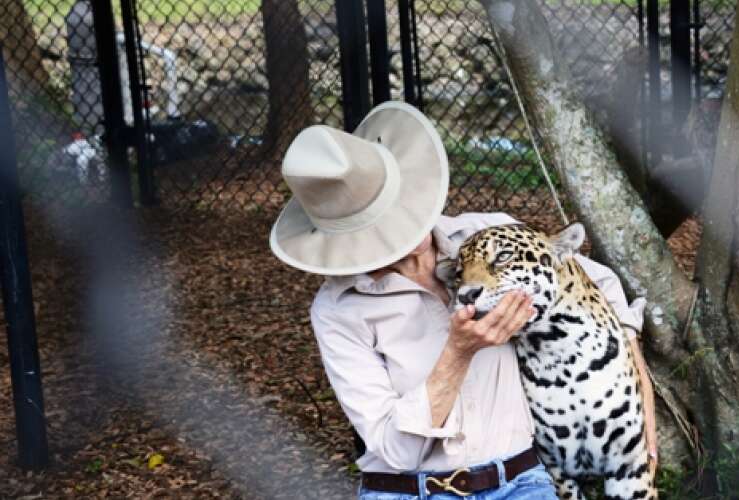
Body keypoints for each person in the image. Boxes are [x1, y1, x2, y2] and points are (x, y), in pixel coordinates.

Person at [269, 101, 656, 499]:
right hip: (408, 490)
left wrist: (639, 414)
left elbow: (600, 285)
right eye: (386, 222)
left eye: (402, 204)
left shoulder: (491, 234)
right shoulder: (339, 310)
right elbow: (394, 450)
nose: (409, 224)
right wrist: (458, 352)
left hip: (519, 482)